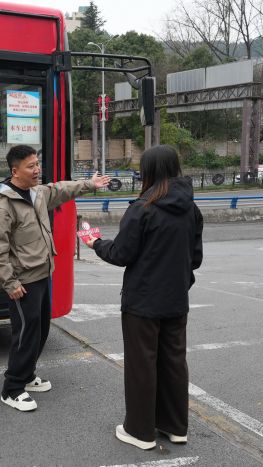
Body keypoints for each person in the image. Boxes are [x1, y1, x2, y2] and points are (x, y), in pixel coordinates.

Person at [84, 145, 203, 449]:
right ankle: (175, 427)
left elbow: (121, 253)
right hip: (176, 299)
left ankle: (140, 431)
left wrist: (95, 242)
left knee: (142, 365)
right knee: (174, 362)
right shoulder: (191, 209)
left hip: (143, 302)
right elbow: (195, 258)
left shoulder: (143, 208)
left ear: (148, 171)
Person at [0, 144, 110, 412]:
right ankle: (12, 388)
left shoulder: (37, 193)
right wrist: (10, 282)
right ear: (15, 171)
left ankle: (27, 375)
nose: (37, 170)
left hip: (42, 274)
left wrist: (90, 184)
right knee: (25, 333)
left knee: (39, 330)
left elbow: (62, 189)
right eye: (31, 166)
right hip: (23, 281)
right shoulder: (3, 205)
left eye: (37, 164)